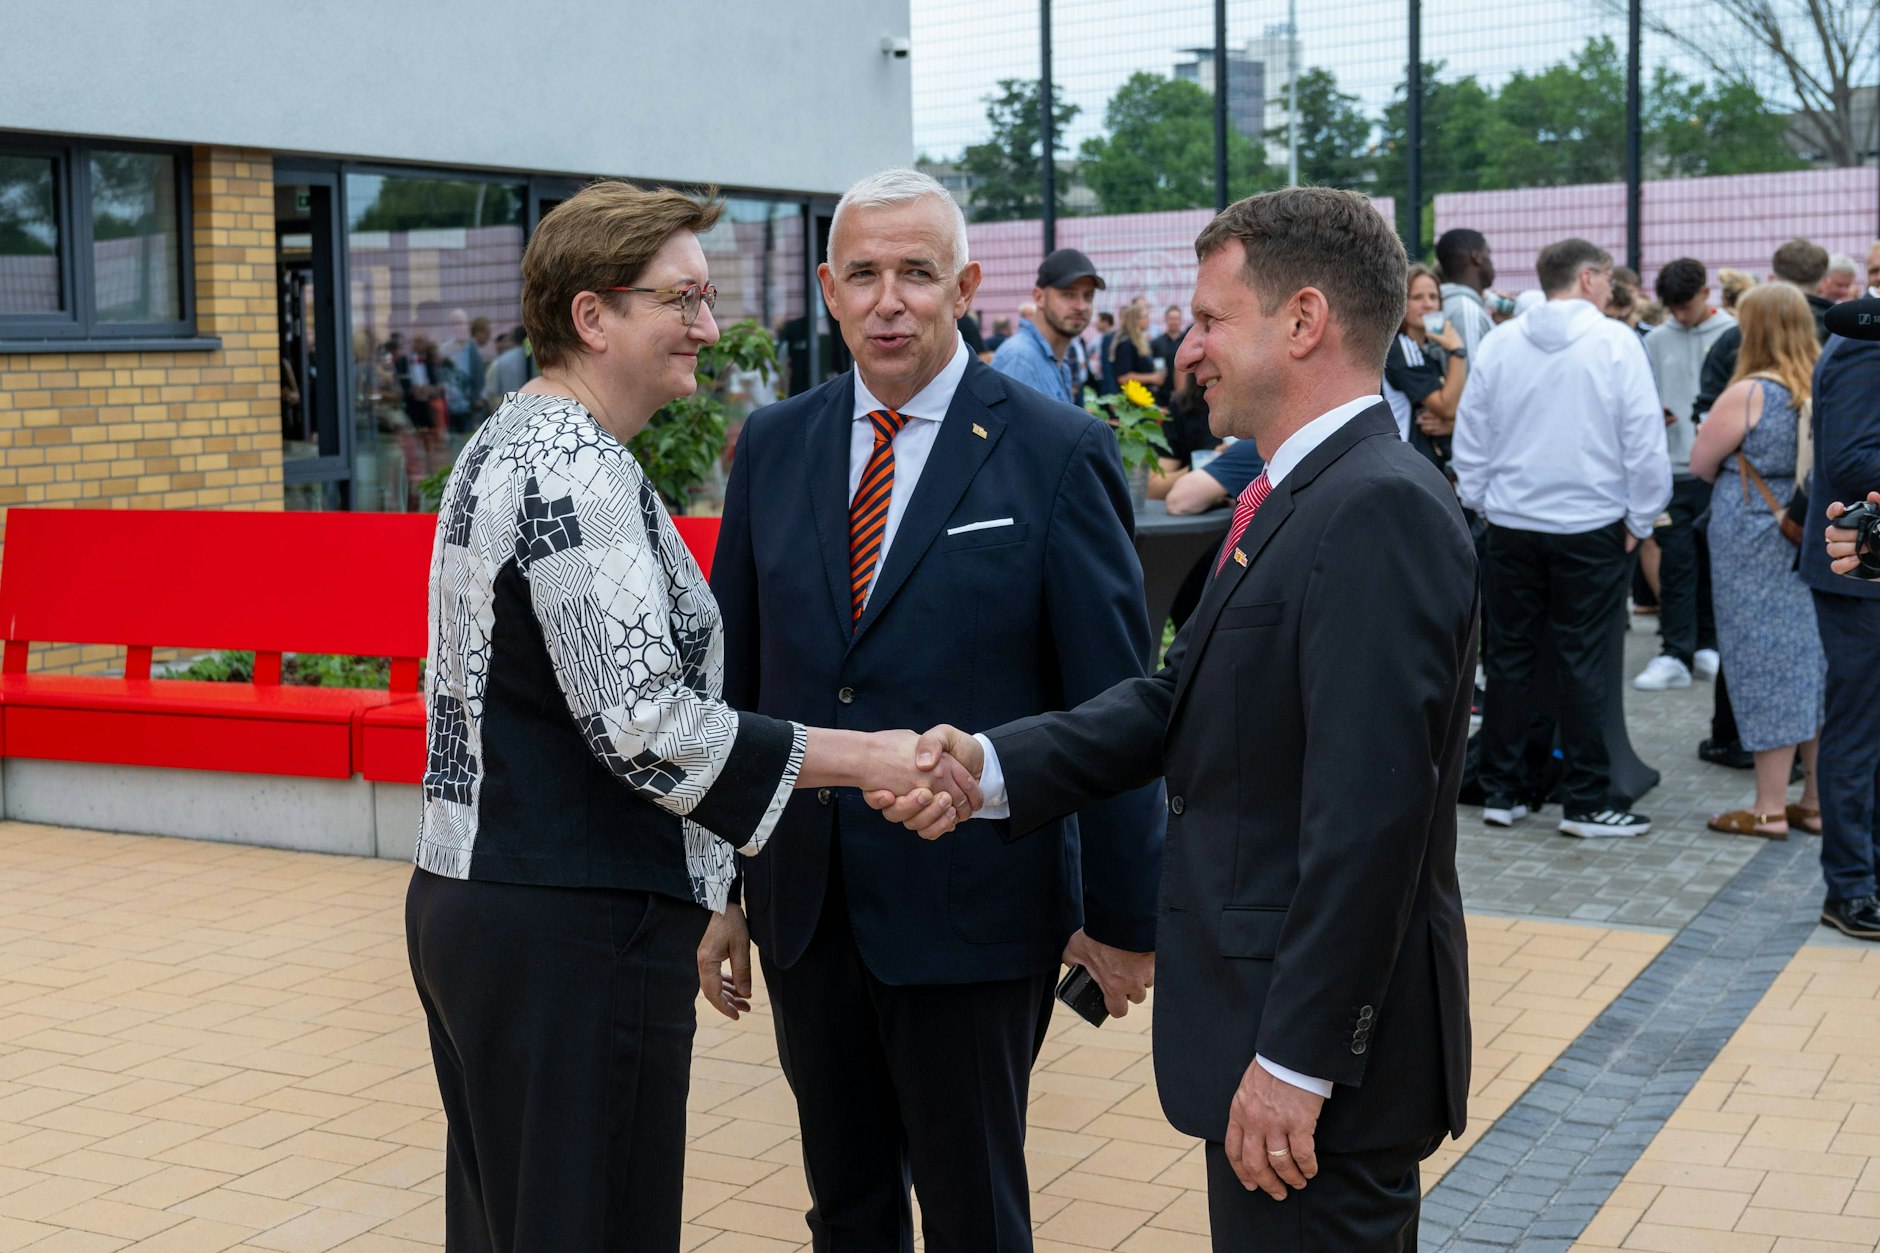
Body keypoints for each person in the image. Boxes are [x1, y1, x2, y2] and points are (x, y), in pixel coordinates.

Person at [878, 187, 1476, 1251]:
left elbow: (1369, 818)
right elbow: (1180, 699)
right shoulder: (1300, 495)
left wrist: (1295, 1062)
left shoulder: (1372, 507)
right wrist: (988, 761)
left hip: (1312, 1075)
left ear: (1300, 321)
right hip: (1266, 1044)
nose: (1183, 347)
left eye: (1208, 319)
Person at [406, 181, 979, 1252]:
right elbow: (645, 724)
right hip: (568, 925)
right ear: (593, 316)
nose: (709, 328)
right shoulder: (573, 466)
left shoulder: (512, 438)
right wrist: (866, 757)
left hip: (483, 904)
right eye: (682, 299)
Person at [707, 168, 1163, 1250]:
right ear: (827, 288)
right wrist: (719, 887)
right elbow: (737, 685)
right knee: (845, 1206)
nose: (887, 299)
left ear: (963, 284)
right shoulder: (774, 444)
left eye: (915, 272)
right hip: (805, 911)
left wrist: (1123, 914)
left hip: (975, 917)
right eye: (861, 274)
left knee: (973, 1212)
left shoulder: (1056, 453)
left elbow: (1116, 703)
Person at [1453, 238, 1672, 839]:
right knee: (1584, 660)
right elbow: (1644, 440)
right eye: (1604, 277)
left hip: (1513, 525)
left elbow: (1472, 435)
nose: (1609, 288)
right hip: (1592, 525)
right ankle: (1585, 800)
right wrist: (1641, 518)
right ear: (1586, 277)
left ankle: (1503, 788)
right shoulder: (1615, 342)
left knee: (1510, 659)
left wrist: (1484, 505)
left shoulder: (1501, 343)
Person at [1688, 283, 1825, 840]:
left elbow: (1701, 462)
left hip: (1752, 540)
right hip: (1807, 534)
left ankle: (1768, 806)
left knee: (1761, 663)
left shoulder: (1749, 392)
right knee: (1811, 662)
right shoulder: (1822, 384)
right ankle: (1815, 802)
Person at [1798, 313, 1880, 939]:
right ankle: (1850, 887)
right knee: (1857, 729)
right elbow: (1853, 461)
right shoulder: (1865, 340)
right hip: (1859, 575)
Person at [1635, 259, 1735, 693]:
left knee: (1713, 561)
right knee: (1676, 563)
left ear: (1706, 294)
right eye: (1672, 308)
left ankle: (1708, 646)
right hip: (1671, 468)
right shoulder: (1655, 340)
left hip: (1720, 469)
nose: (1679, 316)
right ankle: (1675, 651)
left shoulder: (1733, 333)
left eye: (1686, 306)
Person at [988, 246, 1104, 407]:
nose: (1081, 306)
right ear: (1039, 297)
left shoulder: (1059, 358)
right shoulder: (1020, 360)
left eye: (1088, 296)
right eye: (1069, 294)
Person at [1382, 263, 1468, 470]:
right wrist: (1458, 351)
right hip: (1405, 467)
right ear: (1401, 303)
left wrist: (1452, 423)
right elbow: (1446, 406)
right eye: (1417, 297)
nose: (1428, 304)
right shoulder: (1402, 347)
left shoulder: (1425, 350)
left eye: (1433, 297)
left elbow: (1454, 410)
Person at [1435, 227, 1499, 354]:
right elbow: (1471, 372)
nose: (1492, 263)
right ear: (1476, 257)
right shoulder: (1466, 311)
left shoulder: (1449, 302)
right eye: (1488, 254)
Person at [1107, 302, 1164, 391]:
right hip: (1132, 398)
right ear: (1135, 320)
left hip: (1142, 395)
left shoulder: (1138, 341)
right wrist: (1152, 378)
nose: (1148, 320)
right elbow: (1123, 378)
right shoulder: (1126, 343)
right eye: (1145, 316)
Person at [1151, 303, 1187, 405]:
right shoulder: (1156, 343)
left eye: (1176, 319)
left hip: (1184, 393)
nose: (1174, 322)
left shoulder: (1187, 341)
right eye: (1171, 319)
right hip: (1162, 394)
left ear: (1181, 320)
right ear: (1166, 320)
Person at [1092, 310, 1118, 393]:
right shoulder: (1097, 338)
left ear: (1105, 322)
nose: (1095, 324)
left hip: (1109, 382)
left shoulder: (1111, 339)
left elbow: (1107, 365)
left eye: (1098, 321)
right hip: (1099, 380)